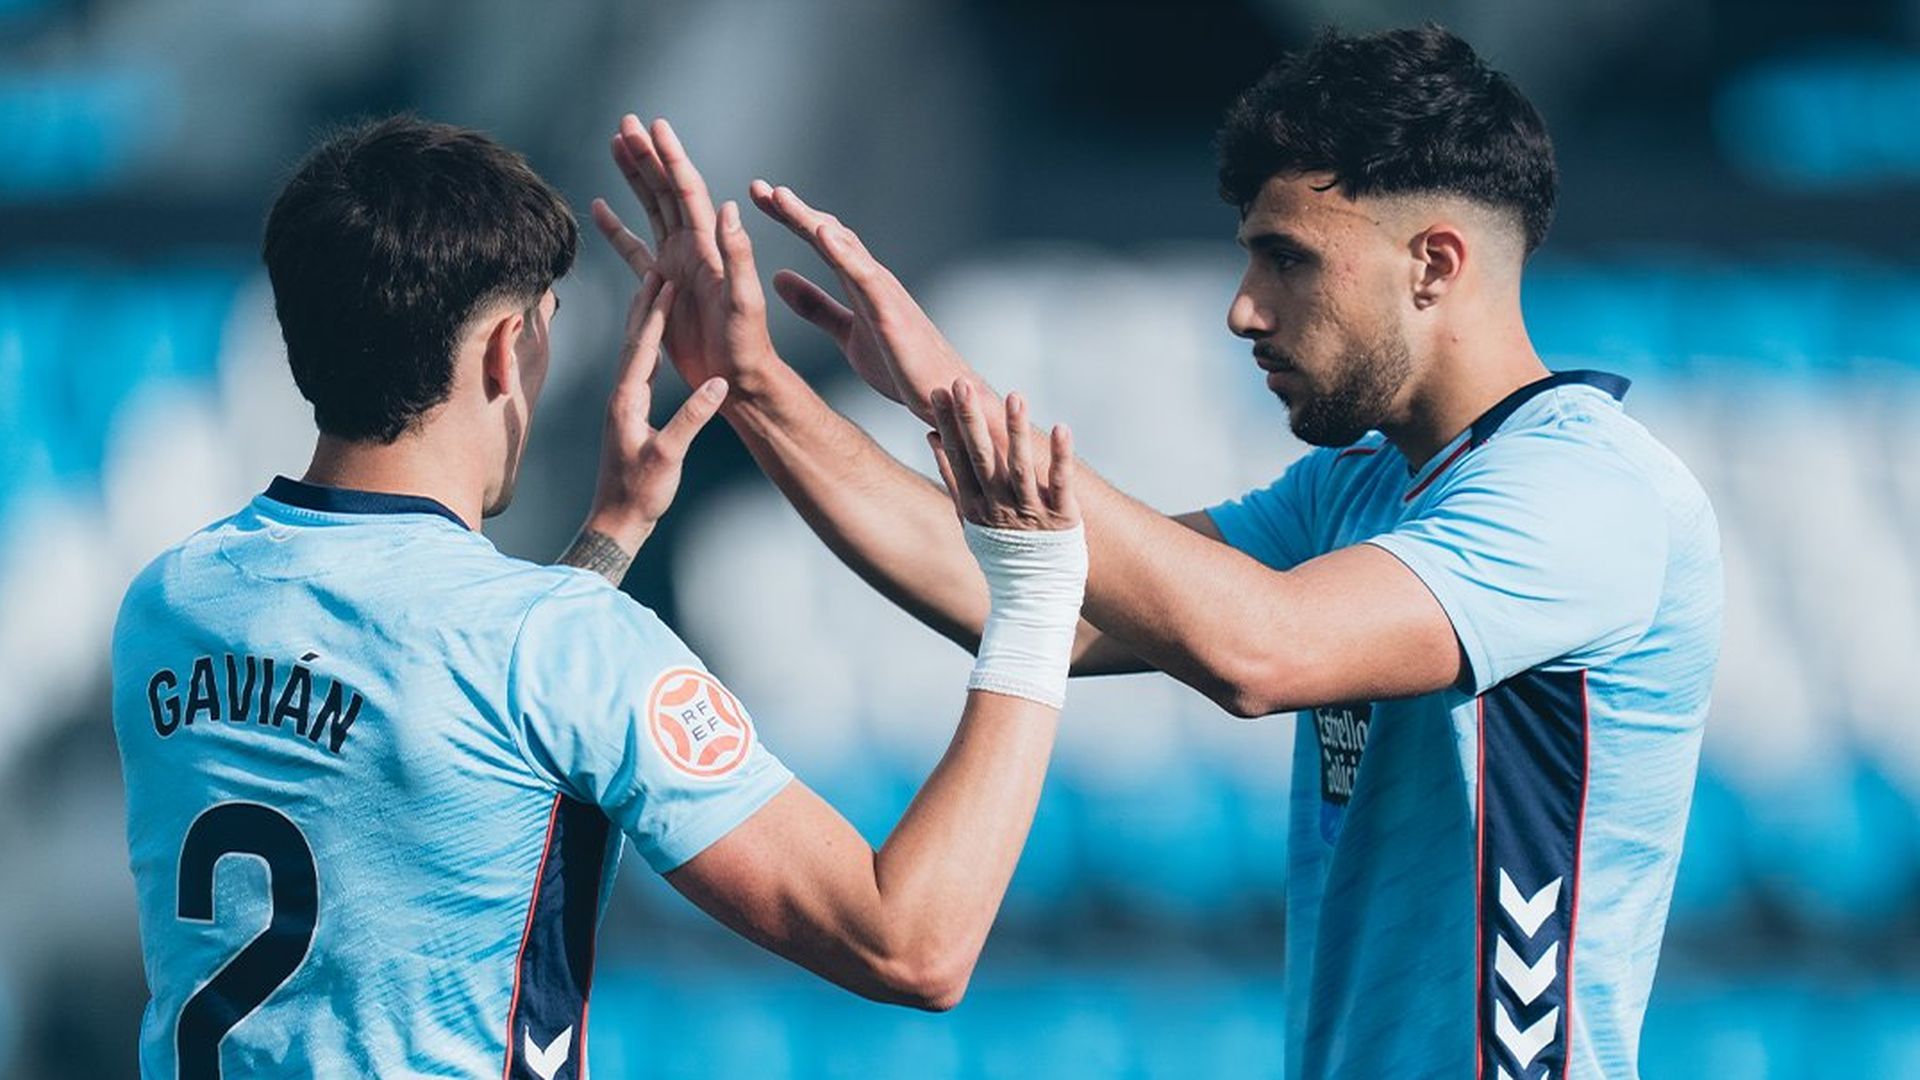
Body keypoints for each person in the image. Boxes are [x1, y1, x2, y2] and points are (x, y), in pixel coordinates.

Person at [598, 25, 1723, 1079]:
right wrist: (752, 388)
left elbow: (1260, 651)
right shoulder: (1360, 488)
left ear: (1434, 263)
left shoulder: (1585, 492)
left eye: (1286, 259)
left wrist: (951, 393)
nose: (1243, 310)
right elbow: (1047, 603)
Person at [110, 115, 1086, 1079]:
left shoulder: (170, 603)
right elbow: (909, 944)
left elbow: (430, 723)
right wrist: (1039, 597)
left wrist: (608, 539)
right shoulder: (563, 645)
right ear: (505, 350)